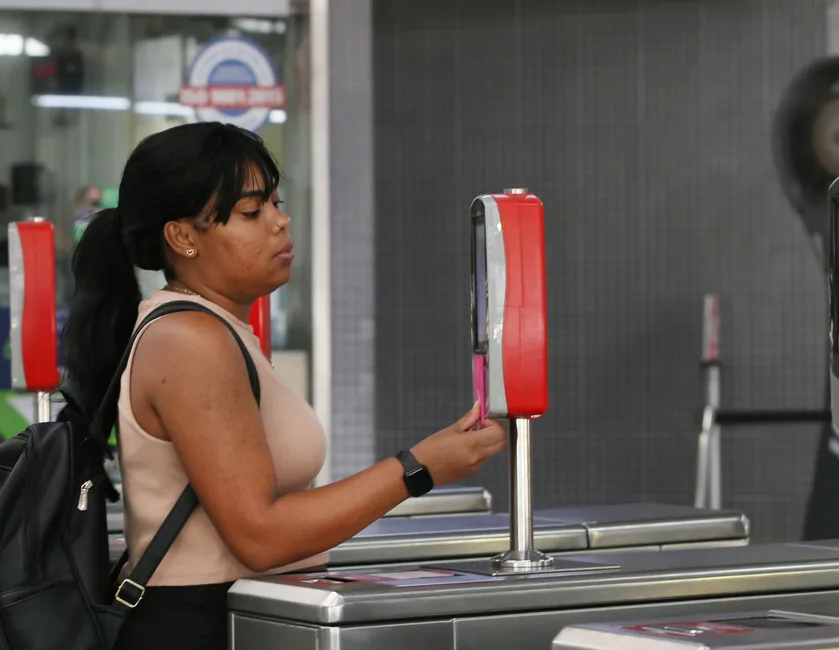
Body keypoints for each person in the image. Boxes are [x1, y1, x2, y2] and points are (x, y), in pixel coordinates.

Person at [61, 122, 509, 649]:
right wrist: (418, 468)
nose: (280, 222)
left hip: (239, 614)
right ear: (182, 237)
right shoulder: (188, 339)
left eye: (276, 202)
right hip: (201, 625)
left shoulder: (219, 330)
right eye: (252, 212)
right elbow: (259, 533)